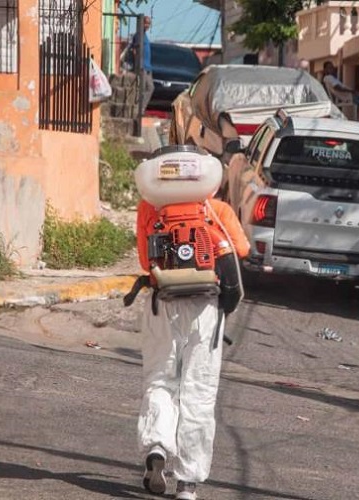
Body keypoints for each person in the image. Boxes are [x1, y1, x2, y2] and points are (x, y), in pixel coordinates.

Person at [135, 198, 250, 500]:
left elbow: (145, 261)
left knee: (161, 380)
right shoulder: (217, 209)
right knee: (198, 392)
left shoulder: (151, 205)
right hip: (204, 309)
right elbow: (242, 250)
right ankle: (187, 484)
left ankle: (157, 447)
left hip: (162, 301)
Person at [128, 16, 154, 113]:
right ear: (142, 23)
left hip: (148, 67)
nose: (147, 25)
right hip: (142, 66)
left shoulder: (145, 35)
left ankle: (141, 108)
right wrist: (138, 63)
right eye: (146, 23)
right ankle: (138, 109)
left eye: (149, 23)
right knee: (141, 89)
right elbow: (134, 50)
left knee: (150, 88)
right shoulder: (138, 35)